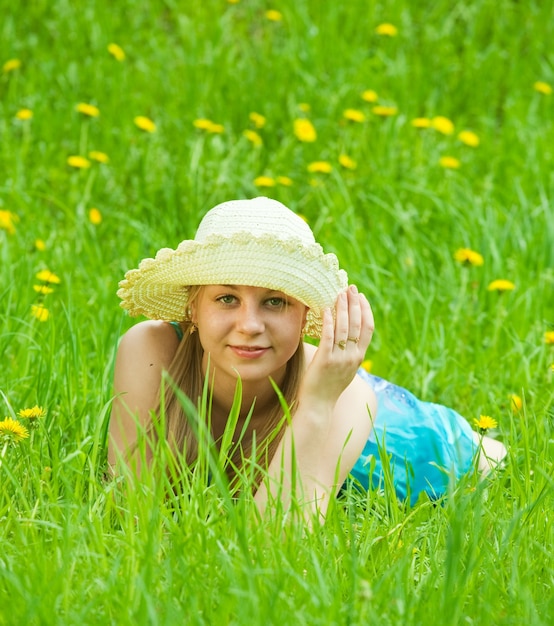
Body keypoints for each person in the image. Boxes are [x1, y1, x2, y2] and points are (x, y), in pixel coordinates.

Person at [108, 197, 506, 519]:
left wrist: (318, 401)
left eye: (275, 302)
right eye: (226, 298)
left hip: (400, 439)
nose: (249, 325)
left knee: (485, 457)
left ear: (304, 318)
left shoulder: (347, 398)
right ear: (194, 308)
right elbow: (132, 508)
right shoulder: (151, 349)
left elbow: (273, 550)